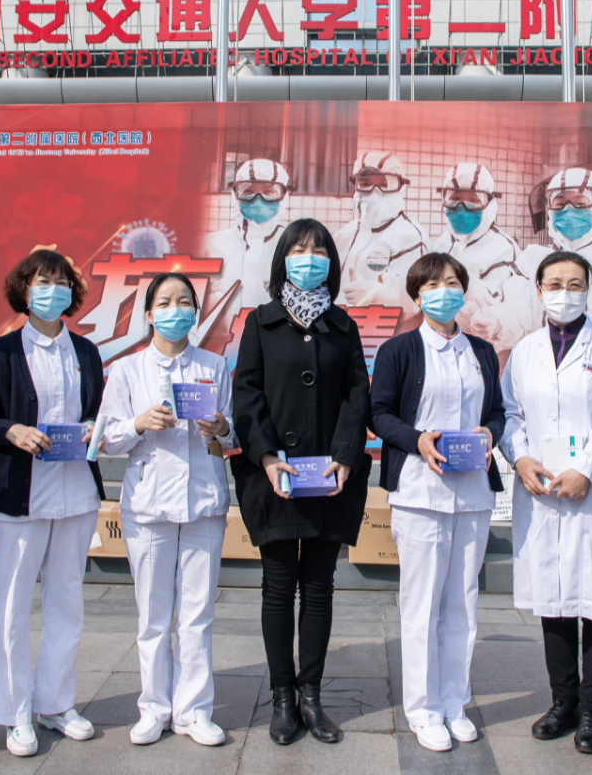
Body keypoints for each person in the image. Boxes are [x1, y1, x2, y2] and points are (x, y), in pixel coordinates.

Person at [231, 218, 372, 746]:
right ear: (283, 260)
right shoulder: (260, 323)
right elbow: (247, 395)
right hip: (276, 478)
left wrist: (345, 456)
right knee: (277, 586)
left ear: (331, 263)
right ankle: (282, 699)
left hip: (329, 479)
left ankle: (311, 696)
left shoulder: (343, 325)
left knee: (318, 585)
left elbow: (357, 395)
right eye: (298, 250)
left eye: (318, 251)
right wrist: (267, 456)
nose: (308, 259)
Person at [499, 250, 592, 756]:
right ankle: (564, 704)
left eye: (575, 283)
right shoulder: (524, 351)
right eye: (554, 283)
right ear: (538, 290)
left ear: (588, 289)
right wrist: (520, 458)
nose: (564, 292)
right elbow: (510, 414)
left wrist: (587, 470)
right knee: (553, 599)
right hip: (542, 491)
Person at [0, 249, 106, 757]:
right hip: (18, 496)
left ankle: (56, 703)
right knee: (12, 606)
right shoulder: (1, 353)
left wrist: (93, 427)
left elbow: (98, 411)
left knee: (67, 602)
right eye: (43, 281)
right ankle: (14, 712)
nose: (54, 290)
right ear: (24, 291)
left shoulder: (86, 351)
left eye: (62, 282)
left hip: (75, 492)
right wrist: (11, 430)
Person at [369, 252, 505, 752]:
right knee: (422, 605)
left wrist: (489, 434)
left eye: (451, 283)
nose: (443, 291)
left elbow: (497, 411)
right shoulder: (399, 350)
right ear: (417, 295)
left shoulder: (482, 351)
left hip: (472, 492)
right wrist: (418, 440)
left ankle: (454, 702)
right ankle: (424, 709)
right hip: (419, 492)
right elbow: (378, 413)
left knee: (462, 603)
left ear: (463, 291)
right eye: (431, 285)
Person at [98, 272, 237, 747]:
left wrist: (220, 426)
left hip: (203, 501)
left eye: (184, 302)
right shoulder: (127, 370)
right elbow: (108, 438)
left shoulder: (214, 365)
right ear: (149, 314)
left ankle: (194, 711)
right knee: (154, 615)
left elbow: (234, 432)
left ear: (196, 313)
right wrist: (138, 423)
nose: (175, 311)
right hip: (149, 503)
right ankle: (154, 707)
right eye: (165, 302)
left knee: (197, 614)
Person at [516, 168, 592, 342]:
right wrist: (495, 322)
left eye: (580, 203)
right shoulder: (533, 257)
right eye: (560, 204)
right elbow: (516, 314)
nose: (569, 210)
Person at [431, 163, 538, 352]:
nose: (462, 208)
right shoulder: (441, 243)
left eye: (472, 201)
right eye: (455, 199)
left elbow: (504, 312)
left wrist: (462, 283)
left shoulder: (504, 249)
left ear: (489, 203)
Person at [199, 159, 291, 325]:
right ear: (235, 195)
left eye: (268, 192)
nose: (258, 199)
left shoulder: (294, 245)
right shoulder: (209, 246)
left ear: (283, 197)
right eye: (248, 192)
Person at [334, 152, 429, 313]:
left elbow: (415, 297)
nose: (374, 192)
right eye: (366, 184)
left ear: (400, 187)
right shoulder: (343, 235)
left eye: (383, 184)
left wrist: (376, 293)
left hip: (379, 327)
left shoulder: (411, 237)